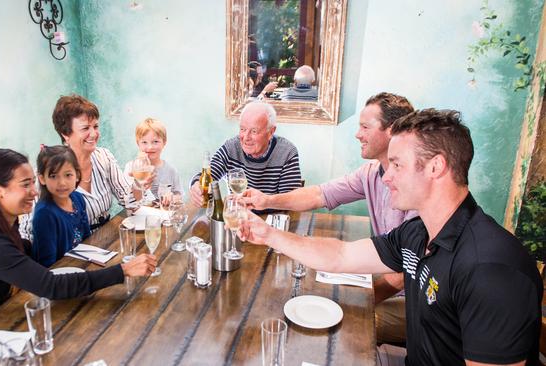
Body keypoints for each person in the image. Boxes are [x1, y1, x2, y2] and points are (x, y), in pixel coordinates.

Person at [238, 109, 543, 365]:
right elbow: (341, 255)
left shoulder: (491, 269)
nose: (386, 176)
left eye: (397, 165)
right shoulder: (418, 232)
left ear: (436, 167)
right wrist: (266, 234)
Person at [243, 92, 415, 344]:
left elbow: (404, 274)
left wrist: (362, 298)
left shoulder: (415, 188)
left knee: (348, 328)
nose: (357, 134)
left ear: (392, 131)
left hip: (413, 301)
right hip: (386, 281)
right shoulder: (371, 173)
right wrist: (268, 200)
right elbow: (317, 194)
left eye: (365, 127)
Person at [0, 149, 156, 347]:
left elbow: (22, 251)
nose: (34, 192)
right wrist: (123, 271)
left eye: (33, 182)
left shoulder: (0, 217)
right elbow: (51, 286)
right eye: (25, 184)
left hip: (3, 315)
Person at [20, 94, 147, 240]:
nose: (93, 134)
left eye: (95, 126)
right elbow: (27, 232)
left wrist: (138, 183)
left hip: (108, 242)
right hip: (70, 254)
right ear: (66, 134)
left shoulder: (103, 157)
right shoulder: (48, 174)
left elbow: (128, 201)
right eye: (86, 128)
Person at [188, 101, 302, 208]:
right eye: (242, 129)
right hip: (239, 218)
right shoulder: (231, 147)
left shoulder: (286, 152)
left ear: (271, 132)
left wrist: (266, 201)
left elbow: (291, 200)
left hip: (273, 221)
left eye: (254, 131)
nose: (246, 137)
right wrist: (195, 185)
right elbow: (208, 175)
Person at [32, 145, 91, 267]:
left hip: (83, 265)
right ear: (42, 179)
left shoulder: (78, 199)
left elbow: (87, 239)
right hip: (58, 277)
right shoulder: (45, 214)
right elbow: (48, 263)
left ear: (77, 175)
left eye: (68, 175)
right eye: (53, 176)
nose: (62, 183)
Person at [124, 117, 182, 200]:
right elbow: (127, 198)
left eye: (155, 142)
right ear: (138, 143)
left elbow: (179, 195)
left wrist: (172, 197)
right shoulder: (131, 168)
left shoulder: (171, 170)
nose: (150, 147)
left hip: (163, 212)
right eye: (144, 142)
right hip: (139, 212)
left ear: (164, 142)